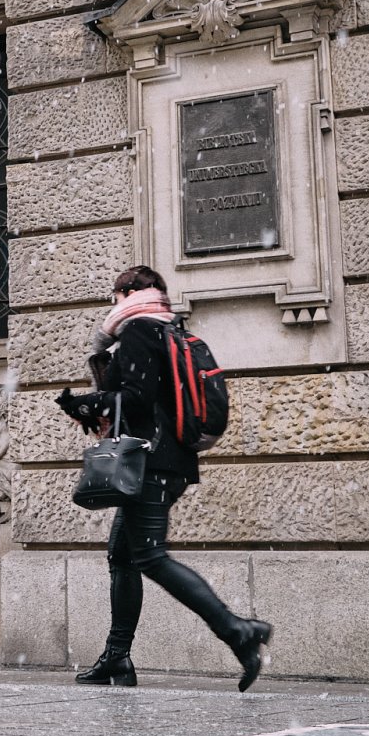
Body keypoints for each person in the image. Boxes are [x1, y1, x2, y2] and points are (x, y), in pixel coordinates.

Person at [57, 265, 271, 691]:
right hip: (166, 462)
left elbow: (135, 399)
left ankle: (237, 631)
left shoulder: (139, 331)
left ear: (131, 293)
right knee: (123, 555)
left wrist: (82, 403)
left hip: (149, 463)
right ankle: (117, 657)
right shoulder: (170, 331)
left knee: (151, 557)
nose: (113, 302)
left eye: (116, 293)